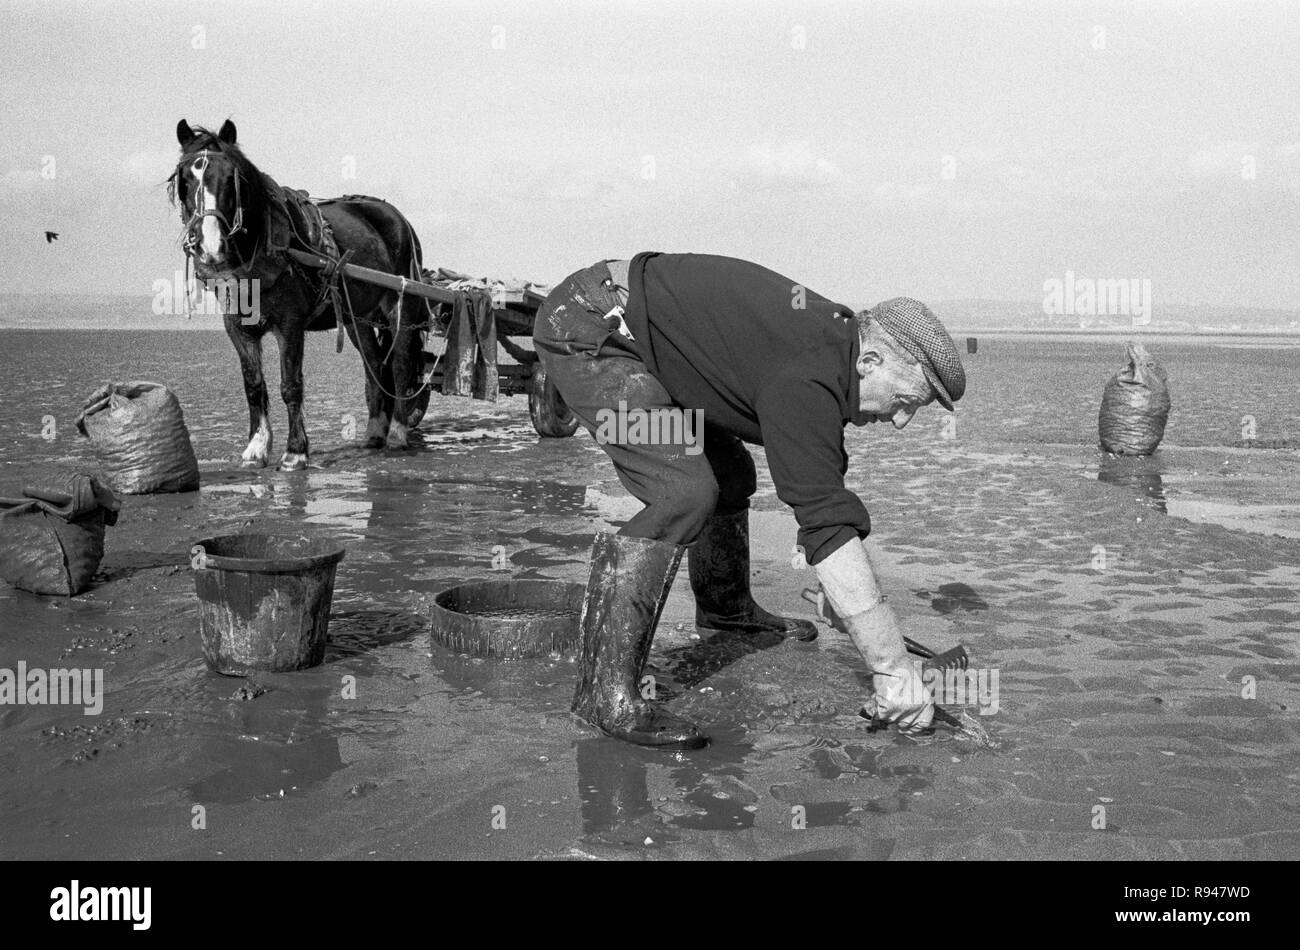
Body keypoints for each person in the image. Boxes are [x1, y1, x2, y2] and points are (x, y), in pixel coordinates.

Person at [533, 253, 966, 750]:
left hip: (655, 351)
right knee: (682, 492)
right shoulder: (807, 379)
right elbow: (827, 525)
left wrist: (848, 604)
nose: (901, 420)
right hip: (590, 331)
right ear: (870, 361)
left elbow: (823, 501)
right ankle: (602, 696)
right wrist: (891, 670)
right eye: (907, 401)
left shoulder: (830, 357)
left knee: (730, 474)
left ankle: (725, 610)